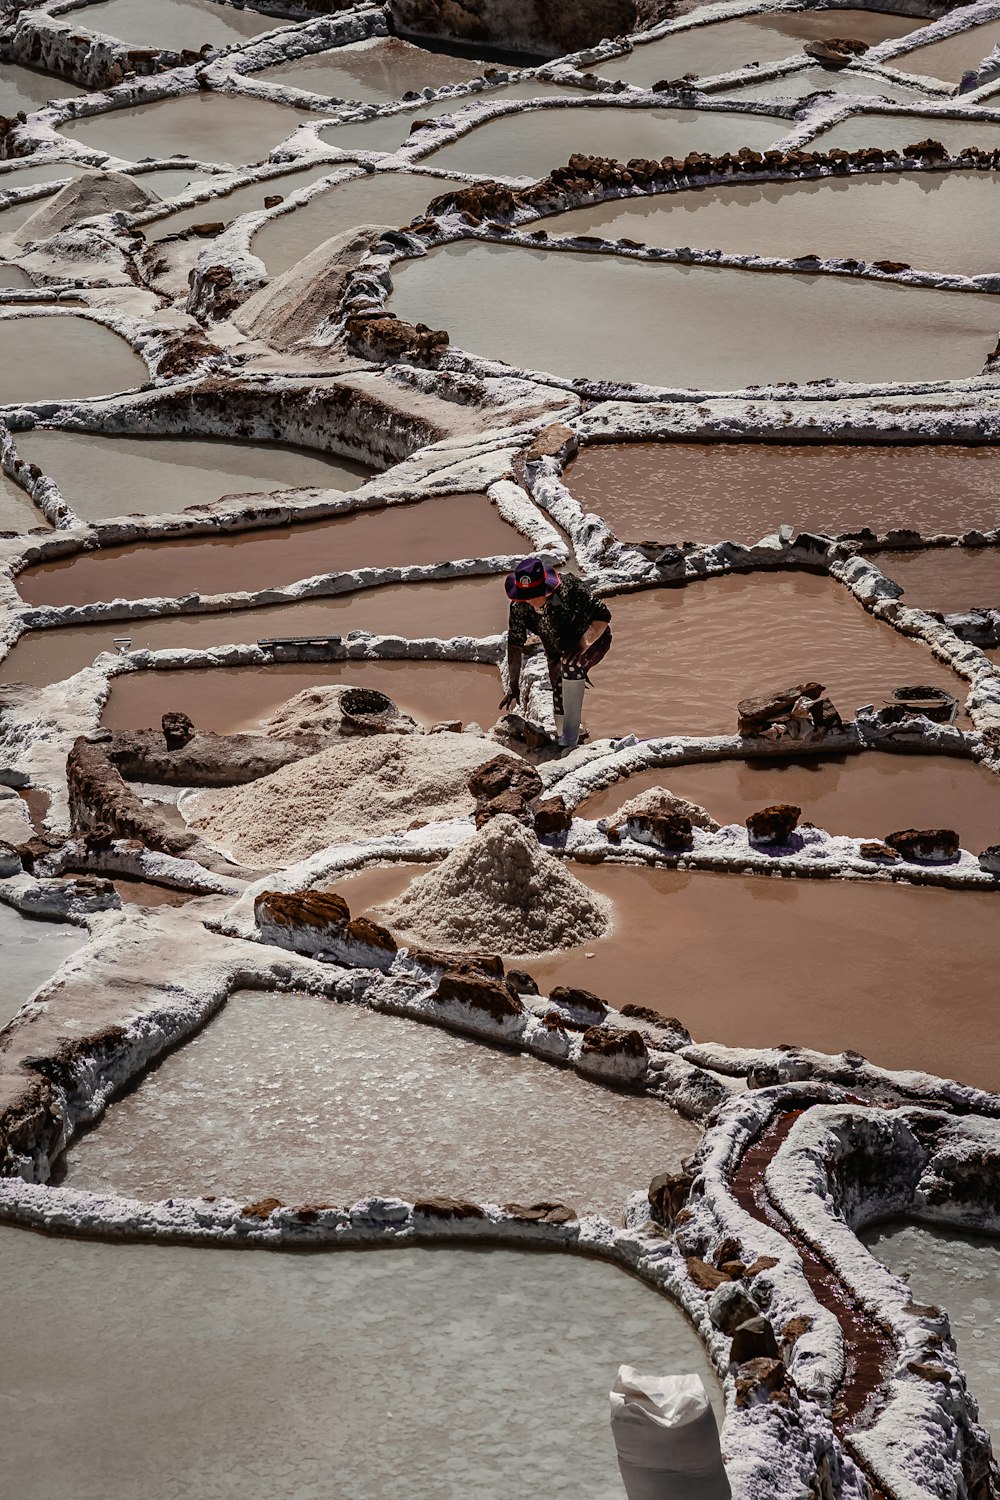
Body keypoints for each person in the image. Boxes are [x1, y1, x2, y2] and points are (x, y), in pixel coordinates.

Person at [500, 556, 612, 750]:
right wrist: (513, 684)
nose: (532, 600)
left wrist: (582, 645)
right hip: (556, 650)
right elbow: (515, 645)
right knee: (558, 689)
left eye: (536, 593)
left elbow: (603, 616)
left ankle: (570, 741)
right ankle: (563, 738)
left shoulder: (570, 589)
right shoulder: (519, 606)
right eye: (527, 595)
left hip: (593, 638)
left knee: (571, 666)